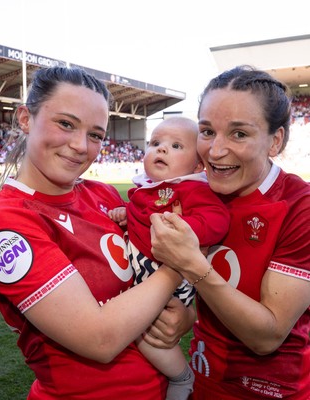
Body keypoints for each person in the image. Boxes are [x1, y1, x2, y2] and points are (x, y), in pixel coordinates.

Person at [0, 66, 195, 400]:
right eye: (65, 123)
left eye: (95, 135)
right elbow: (99, 339)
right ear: (25, 119)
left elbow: (148, 277)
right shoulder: (9, 218)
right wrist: (181, 264)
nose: (79, 145)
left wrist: (186, 316)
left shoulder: (103, 195)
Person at [149, 65, 310, 399]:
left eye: (239, 134)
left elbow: (268, 336)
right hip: (202, 380)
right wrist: (188, 316)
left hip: (271, 390)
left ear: (275, 140)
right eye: (207, 132)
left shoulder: (298, 207)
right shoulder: (194, 192)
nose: (215, 151)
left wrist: (192, 265)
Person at [109, 116, 230, 400]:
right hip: (145, 272)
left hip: (170, 278)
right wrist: (125, 212)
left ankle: (181, 377)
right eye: (155, 143)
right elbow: (141, 213)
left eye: (175, 146)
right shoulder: (143, 190)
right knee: (134, 327)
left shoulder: (193, 188)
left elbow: (218, 219)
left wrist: (187, 231)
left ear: (197, 166)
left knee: (147, 334)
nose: (161, 150)